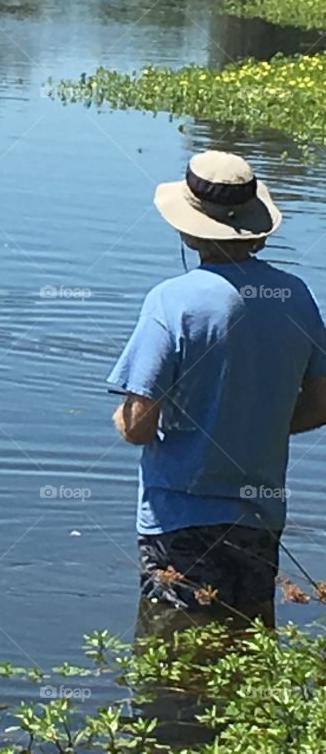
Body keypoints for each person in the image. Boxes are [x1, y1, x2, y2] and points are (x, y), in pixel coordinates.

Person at [109, 150, 326, 630]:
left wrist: (122, 420)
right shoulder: (295, 296)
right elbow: (320, 404)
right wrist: (260, 425)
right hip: (261, 515)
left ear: (188, 229)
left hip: (179, 519)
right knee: (250, 642)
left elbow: (140, 427)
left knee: (174, 654)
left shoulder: (171, 301)